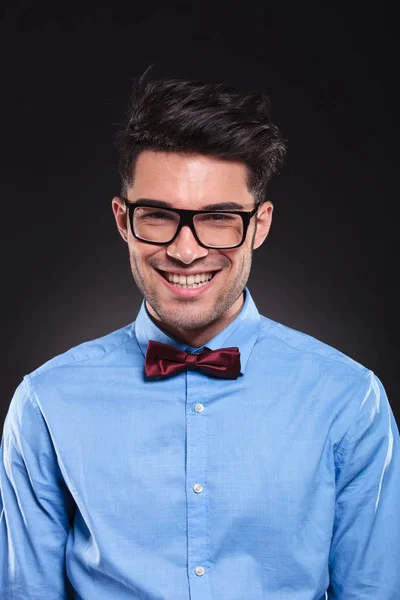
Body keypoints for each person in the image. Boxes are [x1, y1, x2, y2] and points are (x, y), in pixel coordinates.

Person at [1, 73, 399, 600]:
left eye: (217, 218)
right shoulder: (45, 403)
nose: (186, 251)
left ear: (259, 224)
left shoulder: (350, 400)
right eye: (160, 216)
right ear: (123, 220)